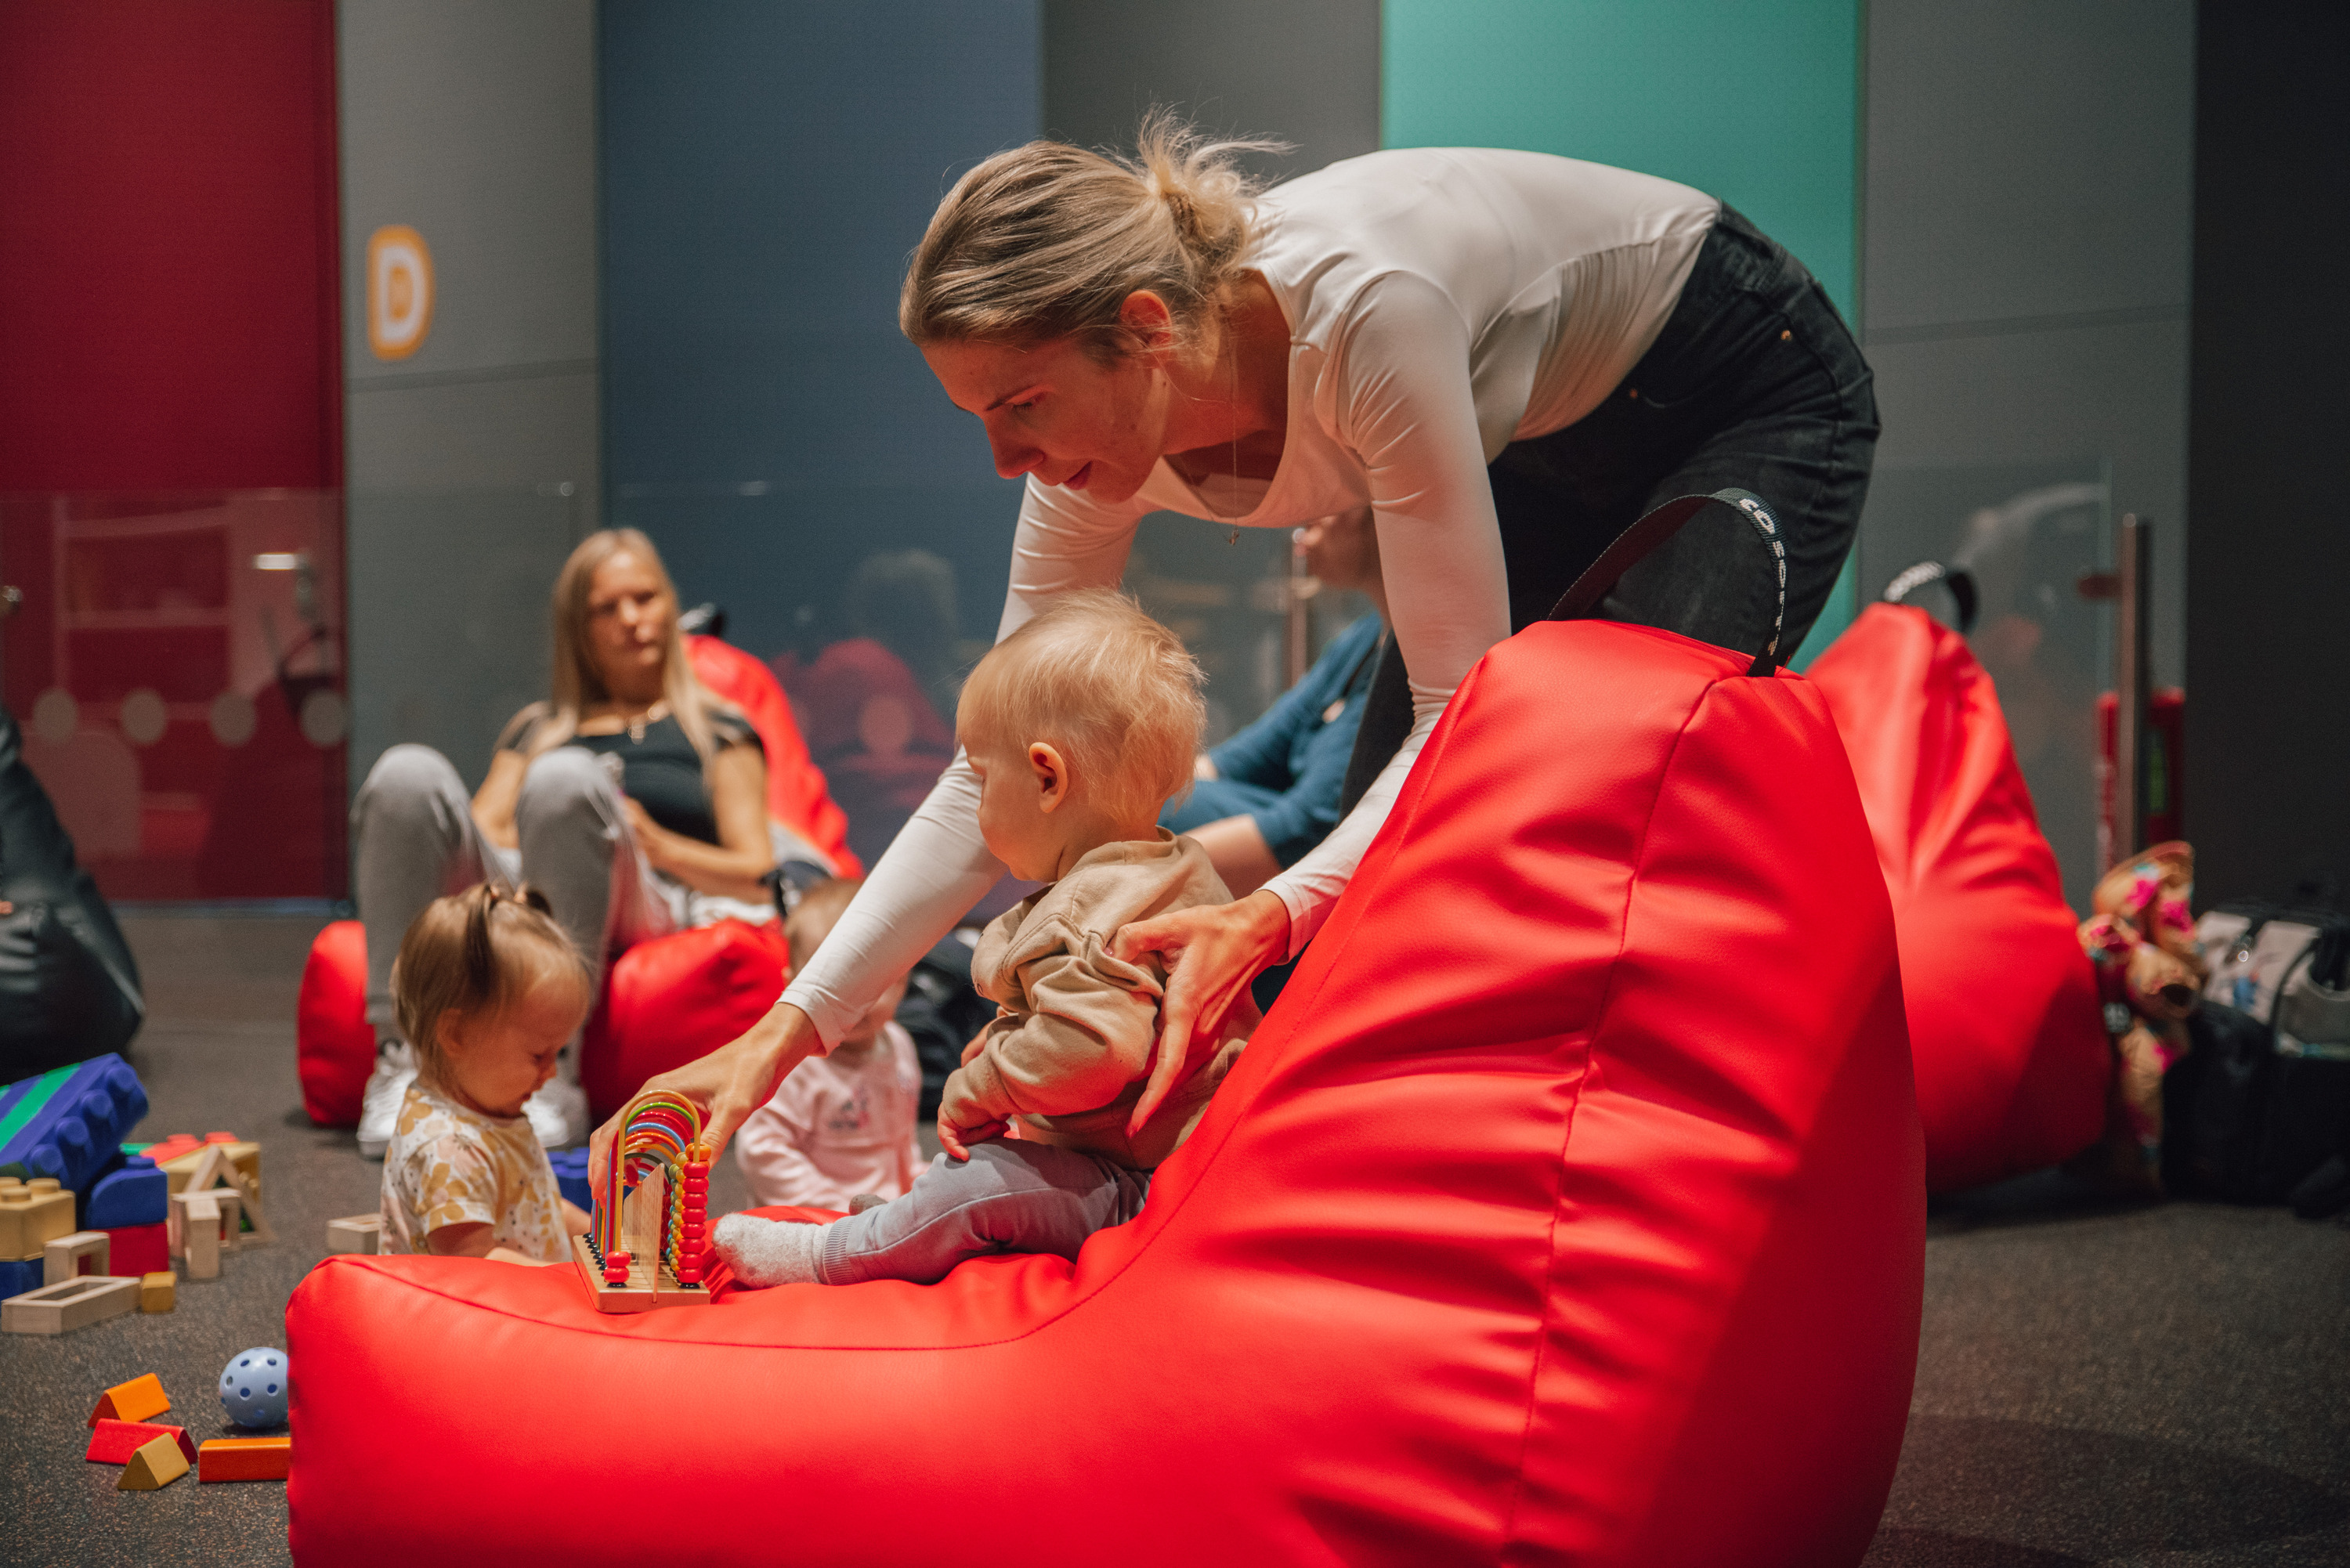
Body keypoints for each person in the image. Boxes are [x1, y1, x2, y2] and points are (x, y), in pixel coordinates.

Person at [593, 112, 1878, 1180]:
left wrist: (1263, 908)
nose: (1006, 461)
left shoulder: (1368, 310)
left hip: (1741, 385)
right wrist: (785, 1032)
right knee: (1363, 896)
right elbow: (980, 781)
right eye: (980, 418)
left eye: (1023, 405)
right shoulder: (1092, 451)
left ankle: (1652, 1185)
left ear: (1147, 329)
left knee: (1599, 787)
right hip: (1540, 438)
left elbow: (1456, 721)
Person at [713, 592, 1249, 1286]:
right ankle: (910, 1226)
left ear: (1047, 778)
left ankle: (834, 1253)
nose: (975, 803)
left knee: (985, 1183)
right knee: (981, 1178)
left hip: (1144, 1196)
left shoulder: (1083, 912)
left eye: (980, 777)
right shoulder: (1178, 870)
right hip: (1190, 1174)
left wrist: (981, 1086)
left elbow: (1095, 1050)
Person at [354, 529, 779, 1156]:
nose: (633, 620)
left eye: (645, 598)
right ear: (579, 630)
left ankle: (553, 1068)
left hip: (647, 896)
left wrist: (655, 842)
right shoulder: (539, 726)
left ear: (669, 604)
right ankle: (401, 1058)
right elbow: (487, 828)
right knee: (404, 774)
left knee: (568, 777)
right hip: (541, 888)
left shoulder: (717, 727)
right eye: (608, 608)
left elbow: (757, 870)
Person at [1162, 505, 1386, 898]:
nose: (1314, 507)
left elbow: (1308, 833)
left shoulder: (1412, 666)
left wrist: (1126, 874)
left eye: (1343, 493)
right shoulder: (1364, 637)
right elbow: (1236, 761)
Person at [378, 883, 595, 1265]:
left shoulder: (490, 1112)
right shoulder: (447, 1147)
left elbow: (540, 1206)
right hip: (464, 1318)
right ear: (456, 1035)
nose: (551, 1072)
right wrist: (563, 1285)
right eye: (538, 1054)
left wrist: (603, 1239)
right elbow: (475, 1261)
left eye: (558, 1052)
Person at [732, 877, 923, 1211]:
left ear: (902, 979)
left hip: (888, 1215)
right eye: (833, 987)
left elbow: (903, 1144)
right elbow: (764, 1153)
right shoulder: (793, 1063)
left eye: (871, 984)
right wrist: (833, 1209)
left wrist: (918, 1185)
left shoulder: (900, 1046)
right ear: (793, 986)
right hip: (811, 1220)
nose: (853, 1003)